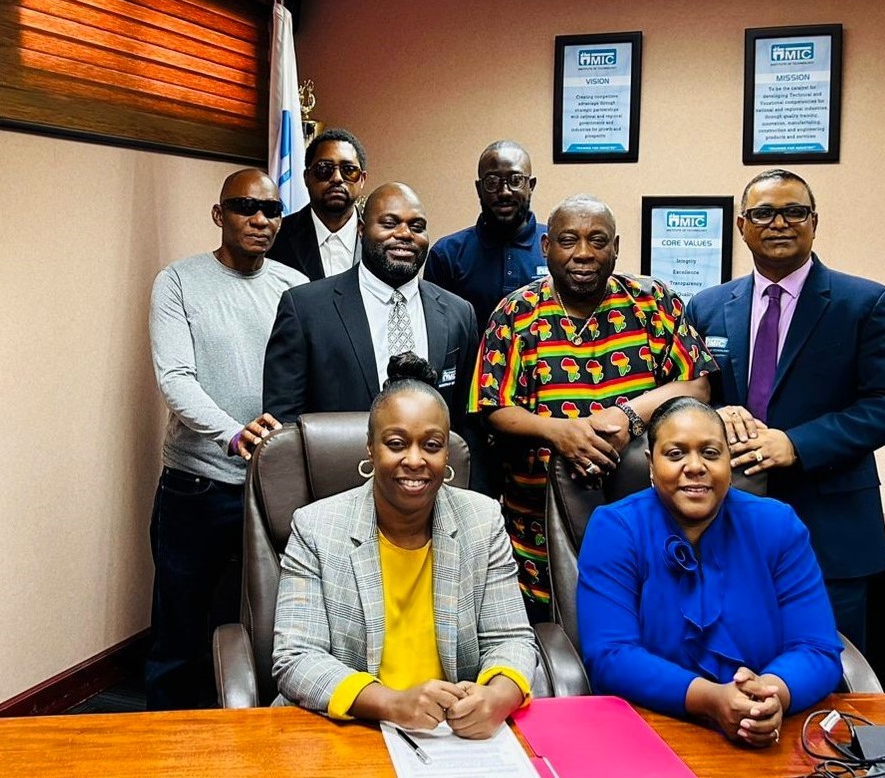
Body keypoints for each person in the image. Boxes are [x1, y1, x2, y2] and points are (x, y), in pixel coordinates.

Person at [687, 169, 885, 651]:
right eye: (763, 213)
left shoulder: (866, 303)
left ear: (814, 222)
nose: (779, 223)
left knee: (829, 669)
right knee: (734, 666)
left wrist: (795, 444)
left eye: (794, 212)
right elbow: (691, 394)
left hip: (829, 533)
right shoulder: (706, 307)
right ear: (742, 225)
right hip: (725, 527)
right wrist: (718, 412)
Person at [469, 194, 715, 622]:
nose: (583, 253)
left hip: (648, 519)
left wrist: (627, 416)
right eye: (569, 240)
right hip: (536, 530)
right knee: (553, 638)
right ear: (546, 247)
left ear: (615, 248)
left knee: (647, 625)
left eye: (597, 240)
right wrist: (559, 433)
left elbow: (697, 383)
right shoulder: (515, 313)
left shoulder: (652, 301)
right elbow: (492, 407)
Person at [272, 354, 536, 737]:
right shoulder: (316, 527)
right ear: (371, 448)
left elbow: (510, 639)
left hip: (451, 737)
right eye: (396, 444)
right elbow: (296, 658)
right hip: (349, 731)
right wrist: (392, 703)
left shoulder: (482, 521)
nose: (415, 460)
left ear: (447, 453)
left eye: (431, 445)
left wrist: (499, 696)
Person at [577, 397, 842, 746]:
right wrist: (711, 700)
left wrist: (770, 695)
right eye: (676, 454)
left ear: (728, 462)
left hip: (766, 734)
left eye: (711, 453)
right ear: (651, 465)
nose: (695, 466)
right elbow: (610, 655)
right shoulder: (616, 529)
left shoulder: (777, 525)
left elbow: (816, 648)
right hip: (648, 732)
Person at [147, 169, 307, 709]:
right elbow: (175, 378)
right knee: (180, 633)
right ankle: (167, 740)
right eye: (245, 207)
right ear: (219, 214)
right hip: (198, 485)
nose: (260, 219)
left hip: (276, 486)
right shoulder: (178, 281)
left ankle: (253, 738)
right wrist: (233, 433)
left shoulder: (294, 287)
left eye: (272, 210)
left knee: (273, 625)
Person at [263, 182, 478, 439]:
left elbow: (467, 423)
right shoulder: (305, 309)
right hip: (337, 462)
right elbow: (283, 425)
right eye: (389, 224)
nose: (404, 234)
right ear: (361, 230)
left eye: (417, 227)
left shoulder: (459, 314)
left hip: (431, 463)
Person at [424, 141, 547, 334]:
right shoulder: (446, 254)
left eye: (515, 180)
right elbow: (437, 333)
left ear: (531, 185)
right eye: (492, 182)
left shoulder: (556, 247)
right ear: (479, 188)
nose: (504, 192)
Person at [266, 128, 368, 281]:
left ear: (362, 179)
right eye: (324, 169)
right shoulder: (276, 237)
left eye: (348, 170)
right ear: (307, 177)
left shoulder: (380, 237)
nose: (337, 178)